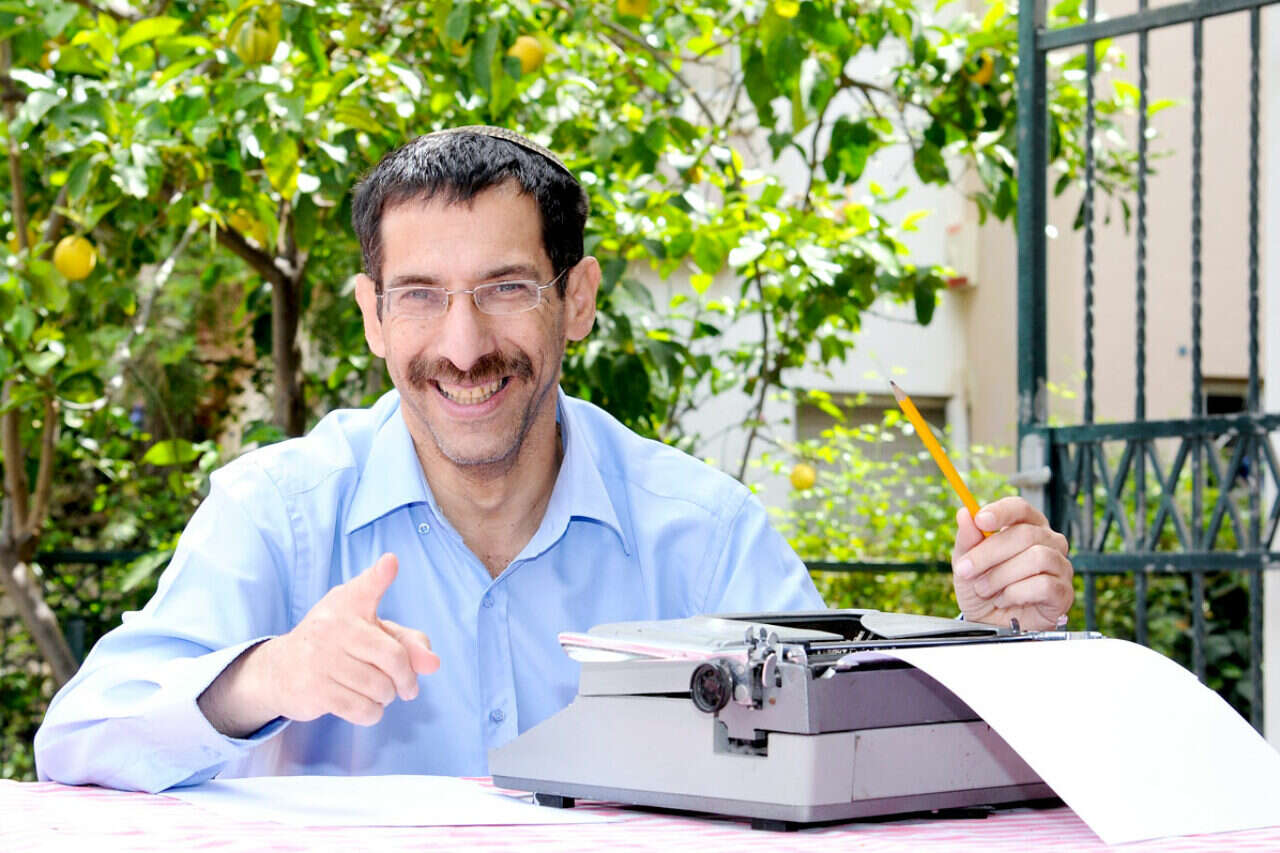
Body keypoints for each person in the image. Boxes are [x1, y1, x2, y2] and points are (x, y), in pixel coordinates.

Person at [34, 127, 1074, 792]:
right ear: (372, 316)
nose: (462, 346)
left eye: (505, 288)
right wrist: (266, 674)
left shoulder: (700, 531)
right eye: (419, 296)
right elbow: (77, 739)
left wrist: (995, 644)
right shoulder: (277, 509)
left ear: (575, 300)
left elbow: (836, 751)